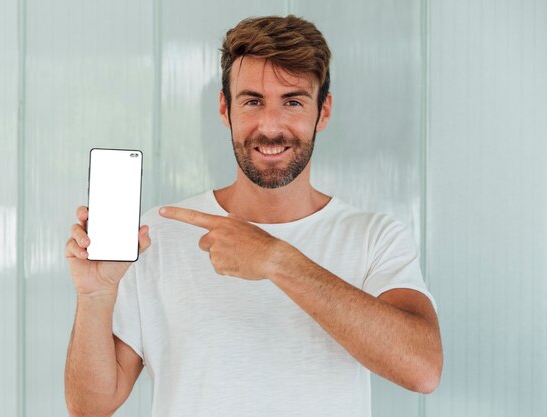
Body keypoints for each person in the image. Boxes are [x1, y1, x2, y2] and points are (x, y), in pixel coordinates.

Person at [64, 15, 442, 417]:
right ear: (226, 109)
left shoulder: (374, 237)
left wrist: (277, 260)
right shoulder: (158, 232)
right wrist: (94, 296)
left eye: (293, 101)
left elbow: (423, 370)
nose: (271, 126)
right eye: (252, 101)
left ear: (323, 111)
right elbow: (90, 406)